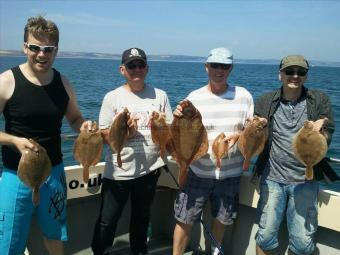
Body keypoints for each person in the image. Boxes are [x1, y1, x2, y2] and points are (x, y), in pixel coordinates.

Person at [0, 16, 91, 255]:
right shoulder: (6, 81)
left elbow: (74, 119)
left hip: (54, 174)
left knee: (55, 235)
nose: (42, 54)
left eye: (48, 49)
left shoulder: (63, 83)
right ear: (24, 47)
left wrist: (84, 125)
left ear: (56, 51)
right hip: (15, 175)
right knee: (9, 243)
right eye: (35, 47)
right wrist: (14, 141)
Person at [91, 47, 173, 255]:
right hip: (118, 172)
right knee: (107, 220)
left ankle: (139, 252)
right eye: (131, 65)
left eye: (141, 65)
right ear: (122, 69)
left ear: (147, 68)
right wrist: (126, 132)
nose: (136, 69)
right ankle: (99, 251)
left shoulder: (160, 95)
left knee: (142, 219)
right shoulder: (112, 98)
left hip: (149, 171)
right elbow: (104, 134)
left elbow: (169, 131)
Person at [172, 47, 254, 255]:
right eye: (215, 65)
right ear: (206, 67)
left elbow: (250, 131)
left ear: (231, 68)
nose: (220, 70)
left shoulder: (243, 96)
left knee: (221, 220)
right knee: (184, 219)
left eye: (224, 66)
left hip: (230, 174)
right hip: (198, 171)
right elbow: (182, 132)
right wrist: (176, 117)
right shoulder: (194, 97)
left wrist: (241, 136)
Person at [253, 55, 337, 255]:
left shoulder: (319, 100)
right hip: (272, 178)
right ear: (280, 75)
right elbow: (256, 136)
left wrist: (321, 130)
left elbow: (329, 132)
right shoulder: (266, 100)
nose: (295, 76)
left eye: (301, 72)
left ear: (306, 76)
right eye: (289, 71)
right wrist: (256, 127)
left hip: (305, 180)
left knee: (302, 243)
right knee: (264, 237)